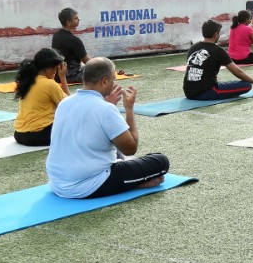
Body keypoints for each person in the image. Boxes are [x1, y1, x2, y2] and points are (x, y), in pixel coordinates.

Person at [46, 57, 169, 199]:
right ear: (104, 81)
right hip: (87, 185)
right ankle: (135, 183)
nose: (114, 83)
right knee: (161, 161)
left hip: (57, 182)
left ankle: (130, 180)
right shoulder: (105, 109)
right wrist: (129, 109)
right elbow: (131, 148)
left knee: (115, 148)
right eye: (113, 79)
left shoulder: (64, 103)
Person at [184, 19, 253, 100]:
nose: (219, 35)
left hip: (188, 93)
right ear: (215, 34)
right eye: (219, 33)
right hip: (206, 92)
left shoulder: (193, 47)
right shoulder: (218, 51)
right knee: (247, 85)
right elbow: (237, 72)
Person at [12, 48, 70, 146]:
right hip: (39, 135)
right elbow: (70, 105)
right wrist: (63, 78)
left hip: (19, 134)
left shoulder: (28, 80)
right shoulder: (49, 84)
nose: (55, 72)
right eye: (55, 69)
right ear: (48, 68)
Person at [52, 7, 90, 84]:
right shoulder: (74, 40)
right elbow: (88, 61)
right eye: (76, 18)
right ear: (68, 22)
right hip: (71, 76)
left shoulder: (56, 36)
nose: (79, 19)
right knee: (97, 70)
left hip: (57, 76)